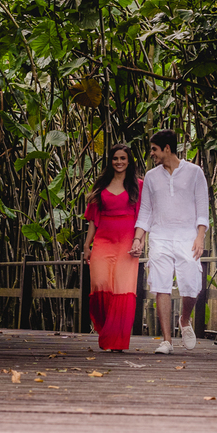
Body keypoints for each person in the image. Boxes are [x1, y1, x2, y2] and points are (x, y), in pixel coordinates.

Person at [129, 129, 209, 354]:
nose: (151, 153)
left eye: (154, 149)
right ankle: (167, 340)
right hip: (160, 237)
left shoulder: (195, 172)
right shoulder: (152, 177)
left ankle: (184, 320)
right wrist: (138, 239)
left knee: (191, 283)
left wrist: (200, 237)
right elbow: (145, 211)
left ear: (167, 148)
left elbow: (202, 207)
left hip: (187, 237)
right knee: (160, 284)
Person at [82, 142, 144, 351]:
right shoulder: (101, 185)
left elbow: (143, 218)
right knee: (99, 284)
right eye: (115, 158)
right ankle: (106, 328)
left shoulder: (138, 185)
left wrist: (140, 241)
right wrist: (86, 245)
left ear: (129, 161)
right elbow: (92, 219)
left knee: (122, 289)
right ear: (110, 161)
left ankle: (117, 339)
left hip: (127, 240)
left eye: (123, 158)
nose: (119, 162)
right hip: (103, 239)